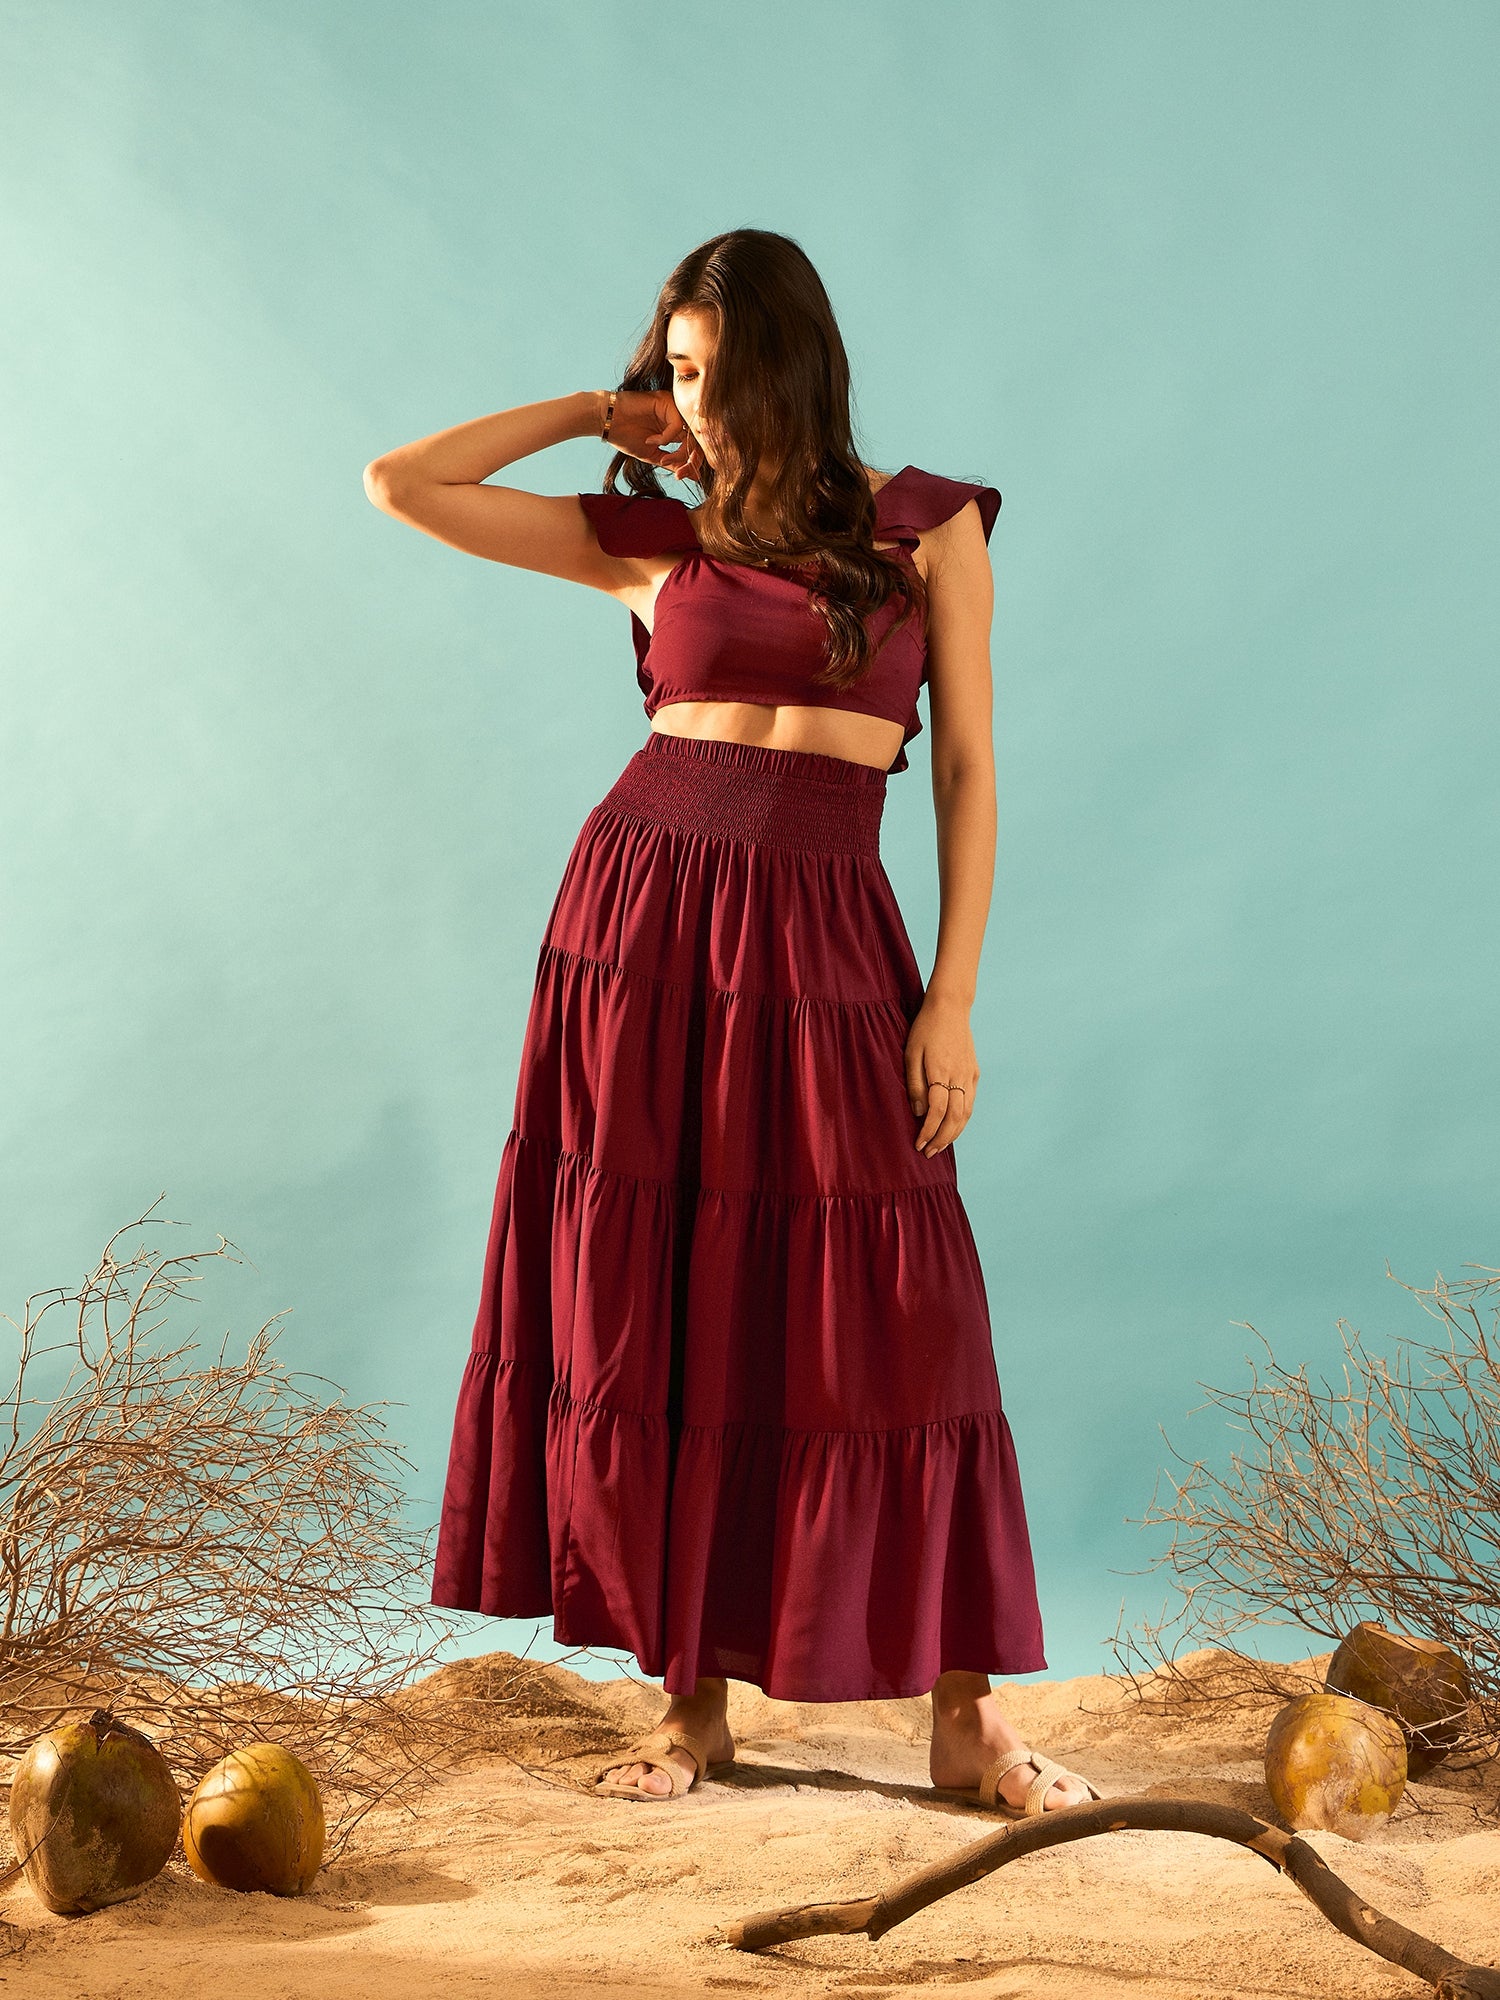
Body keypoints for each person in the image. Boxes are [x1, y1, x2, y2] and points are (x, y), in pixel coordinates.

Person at [364, 228, 1100, 1818]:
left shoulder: (929, 529)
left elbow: (967, 767)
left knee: (902, 1307)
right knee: (663, 1298)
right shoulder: (654, 537)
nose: (692, 403)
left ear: (792, 365)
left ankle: (965, 1722)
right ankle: (690, 1709)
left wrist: (953, 996)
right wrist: (594, 411)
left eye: (712, 372)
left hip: (829, 932)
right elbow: (401, 484)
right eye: (675, 373)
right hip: (641, 943)